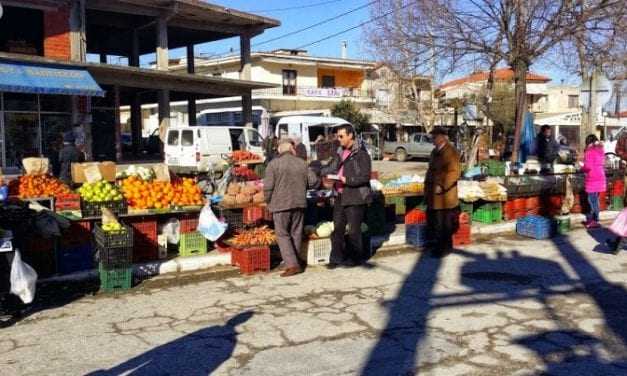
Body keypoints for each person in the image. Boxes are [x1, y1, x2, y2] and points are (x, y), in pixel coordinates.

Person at [264, 139, 318, 277]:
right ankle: (296, 261)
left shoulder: (273, 164)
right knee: (296, 232)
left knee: (282, 234)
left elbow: (268, 188)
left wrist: (268, 202)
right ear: (292, 149)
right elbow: (314, 182)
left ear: (279, 150)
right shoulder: (302, 163)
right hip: (299, 203)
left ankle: (292, 265)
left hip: (280, 205)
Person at [325, 125, 372, 267]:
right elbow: (332, 168)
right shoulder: (340, 152)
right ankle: (335, 258)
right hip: (340, 195)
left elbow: (364, 177)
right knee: (337, 228)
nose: (338, 139)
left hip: (355, 196)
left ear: (350, 135)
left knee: (354, 230)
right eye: (338, 136)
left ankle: (355, 258)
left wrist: (347, 180)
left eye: (341, 136)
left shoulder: (362, 154)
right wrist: (327, 176)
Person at [424, 127, 461, 258]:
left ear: (442, 137)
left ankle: (443, 249)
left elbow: (454, 172)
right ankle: (440, 246)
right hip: (433, 194)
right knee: (436, 222)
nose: (433, 139)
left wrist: (442, 185)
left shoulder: (451, 152)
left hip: (445, 196)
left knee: (443, 224)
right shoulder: (434, 152)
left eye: (434, 137)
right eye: (432, 137)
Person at [581, 134, 606, 229]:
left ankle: (595, 220)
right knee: (595, 200)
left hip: (592, 178)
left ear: (588, 142)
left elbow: (588, 167)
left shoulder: (589, 152)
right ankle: (594, 219)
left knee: (592, 200)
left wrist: (581, 167)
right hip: (600, 176)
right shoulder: (600, 150)